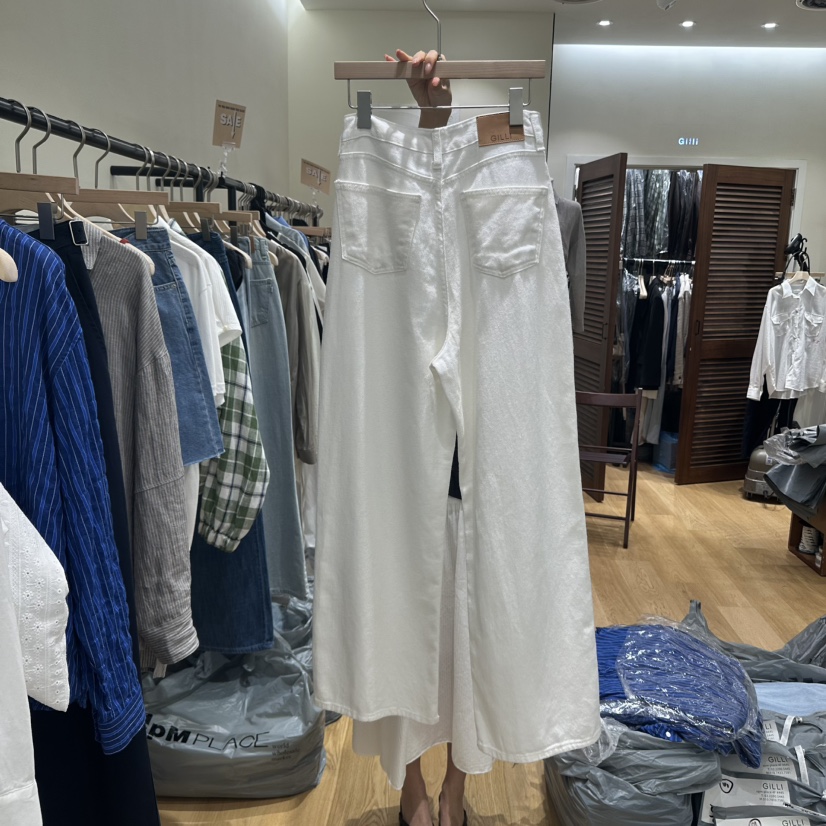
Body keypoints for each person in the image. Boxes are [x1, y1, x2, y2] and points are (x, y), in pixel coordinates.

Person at [378, 46, 466, 826]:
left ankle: (457, 790)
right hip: (400, 459)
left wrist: (440, 115)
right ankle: (413, 788)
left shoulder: (504, 173)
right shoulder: (393, 178)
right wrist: (426, 113)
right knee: (401, 605)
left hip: (477, 466)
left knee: (472, 621)